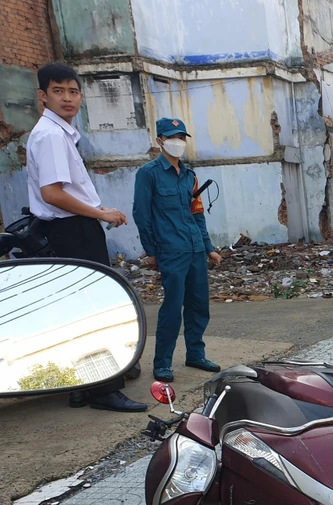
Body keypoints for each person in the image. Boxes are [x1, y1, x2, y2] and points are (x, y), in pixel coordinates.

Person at [25, 63, 146, 413]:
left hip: (72, 227)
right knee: (95, 309)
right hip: (72, 230)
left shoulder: (59, 133)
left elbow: (65, 191)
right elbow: (52, 194)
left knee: (77, 308)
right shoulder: (49, 136)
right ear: (43, 96)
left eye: (73, 91)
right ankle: (104, 390)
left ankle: (81, 387)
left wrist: (98, 207)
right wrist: (100, 213)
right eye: (58, 91)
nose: (67, 98)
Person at [133, 118, 223, 382]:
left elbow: (198, 215)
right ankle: (162, 363)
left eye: (182, 137)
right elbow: (142, 214)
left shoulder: (190, 176)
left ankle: (195, 354)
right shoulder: (148, 174)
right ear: (160, 140)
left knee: (199, 306)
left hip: (195, 249)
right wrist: (151, 251)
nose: (178, 142)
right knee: (173, 308)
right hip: (171, 251)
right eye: (173, 137)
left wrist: (209, 248)